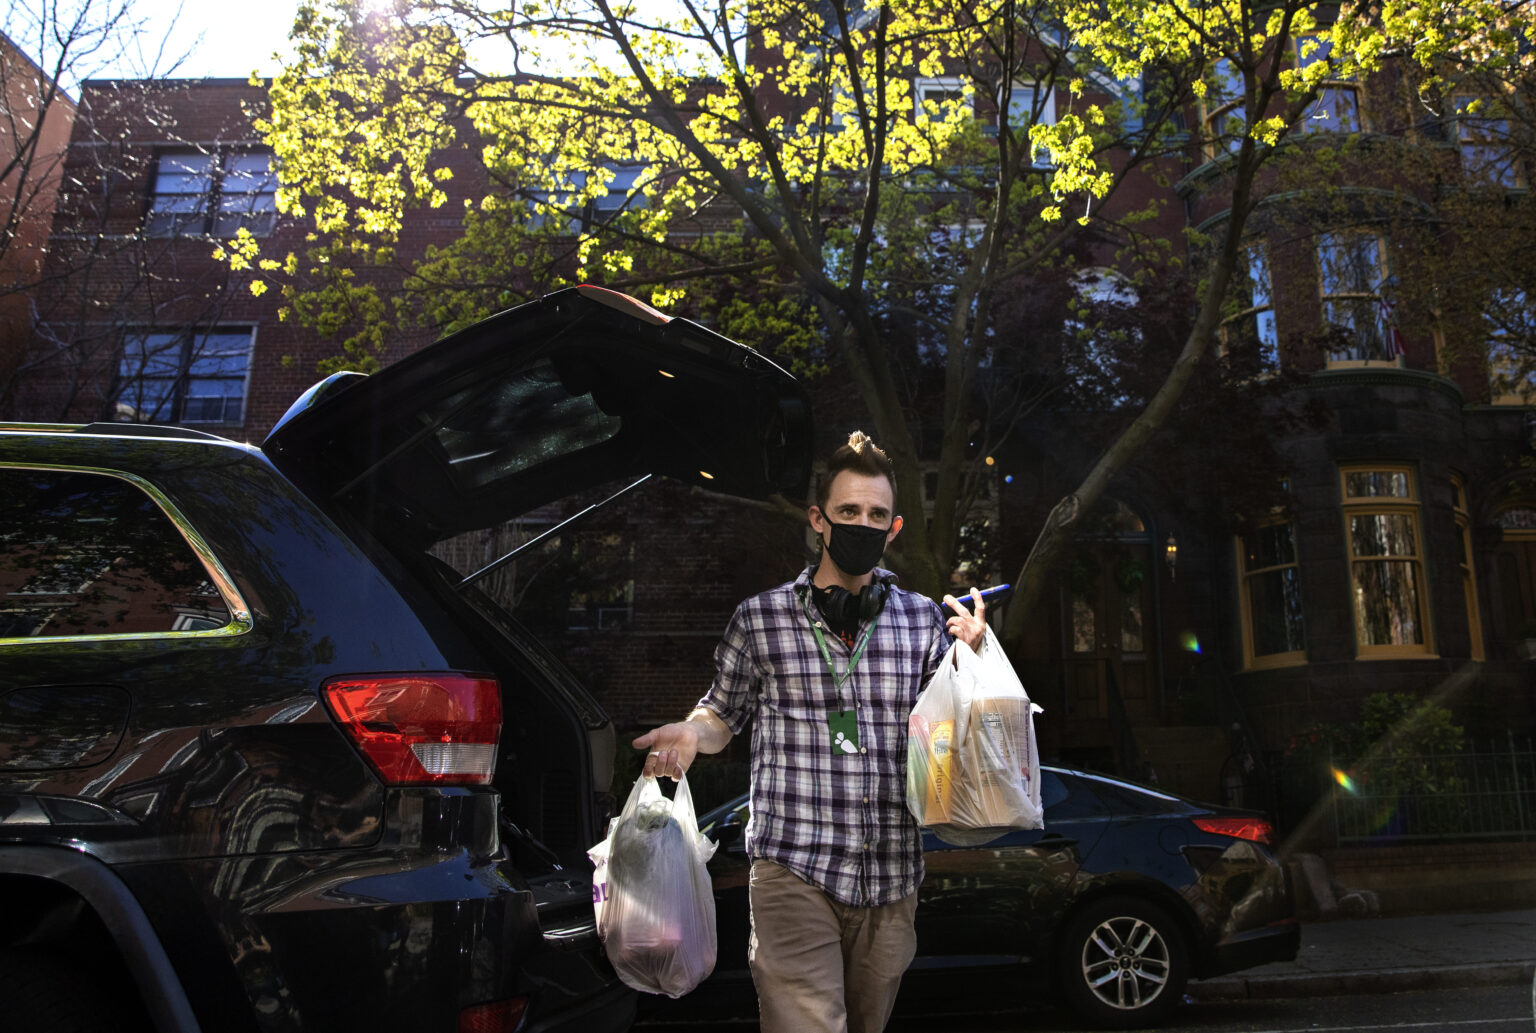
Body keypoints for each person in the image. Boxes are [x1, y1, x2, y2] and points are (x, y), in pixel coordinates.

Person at [634, 431, 986, 1033]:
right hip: (793, 869)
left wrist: (971, 663)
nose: (862, 524)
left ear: (894, 527)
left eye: (876, 515)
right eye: (848, 511)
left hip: (892, 872)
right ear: (819, 520)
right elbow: (721, 715)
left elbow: (950, 734)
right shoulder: (762, 619)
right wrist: (693, 734)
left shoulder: (922, 619)